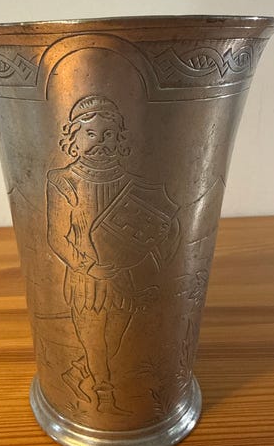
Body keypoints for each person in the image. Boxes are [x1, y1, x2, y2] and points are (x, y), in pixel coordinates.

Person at [46, 95, 179, 415]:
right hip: (87, 280)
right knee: (95, 340)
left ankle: (79, 374)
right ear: (74, 138)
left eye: (108, 135)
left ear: (119, 139)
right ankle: (103, 398)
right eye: (91, 134)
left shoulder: (132, 183)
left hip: (123, 275)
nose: (100, 142)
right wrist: (87, 267)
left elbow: (148, 223)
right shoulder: (64, 182)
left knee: (114, 339)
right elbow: (56, 236)